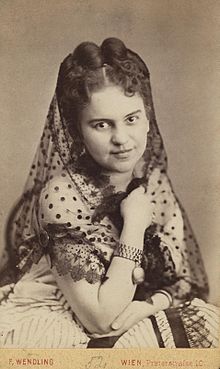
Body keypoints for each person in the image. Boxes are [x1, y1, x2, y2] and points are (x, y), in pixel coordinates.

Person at [0, 37, 219, 348]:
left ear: (147, 120)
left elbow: (182, 282)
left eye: (131, 119)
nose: (122, 139)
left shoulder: (153, 179)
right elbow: (101, 321)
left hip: (132, 313)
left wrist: (150, 305)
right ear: (77, 131)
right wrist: (134, 225)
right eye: (102, 125)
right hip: (61, 323)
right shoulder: (61, 196)